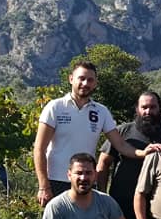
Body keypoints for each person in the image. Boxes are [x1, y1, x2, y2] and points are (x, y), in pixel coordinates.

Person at [33, 61, 153, 207]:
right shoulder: (55, 107)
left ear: (95, 83)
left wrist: (143, 153)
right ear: (71, 79)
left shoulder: (101, 111)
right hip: (56, 182)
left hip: (86, 182)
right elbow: (39, 148)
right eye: (81, 78)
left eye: (90, 80)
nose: (85, 83)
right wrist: (43, 186)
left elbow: (120, 144)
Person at [96, 91, 161, 219]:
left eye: (152, 107)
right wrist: (102, 196)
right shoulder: (122, 132)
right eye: (144, 107)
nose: (148, 111)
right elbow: (103, 164)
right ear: (137, 109)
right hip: (121, 204)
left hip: (157, 207)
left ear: (160, 109)